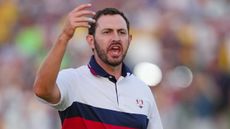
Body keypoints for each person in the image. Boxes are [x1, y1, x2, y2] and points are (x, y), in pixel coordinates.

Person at [33, 3, 163, 129]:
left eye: (121, 32)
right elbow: (42, 90)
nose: (116, 38)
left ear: (129, 40)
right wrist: (64, 37)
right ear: (91, 41)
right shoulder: (74, 80)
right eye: (107, 32)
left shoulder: (142, 89)